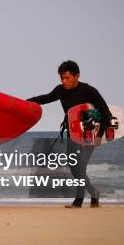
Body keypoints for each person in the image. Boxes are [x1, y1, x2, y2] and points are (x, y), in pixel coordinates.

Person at [26, 60, 112, 208]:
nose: (64, 81)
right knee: (74, 167)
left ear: (76, 76)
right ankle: (93, 192)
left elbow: (106, 113)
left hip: (89, 134)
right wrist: (26, 102)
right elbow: (46, 98)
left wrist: (99, 136)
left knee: (80, 166)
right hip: (72, 134)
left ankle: (78, 201)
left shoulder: (89, 91)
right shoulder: (60, 90)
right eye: (61, 78)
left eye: (67, 78)